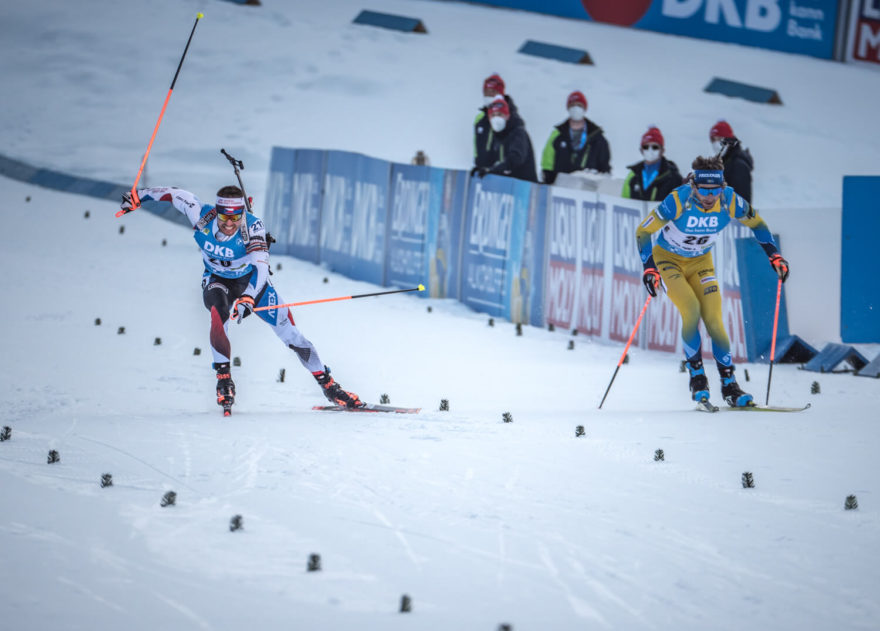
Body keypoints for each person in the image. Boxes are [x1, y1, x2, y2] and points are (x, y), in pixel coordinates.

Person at [119, 186, 365, 412]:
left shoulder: (252, 227)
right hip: (217, 279)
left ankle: (329, 386)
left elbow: (260, 268)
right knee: (218, 312)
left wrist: (248, 298)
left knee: (292, 336)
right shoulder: (201, 215)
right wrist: (139, 196)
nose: (230, 223)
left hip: (251, 283)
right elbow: (173, 194)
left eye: (235, 217)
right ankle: (224, 380)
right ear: (217, 212)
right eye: (225, 217)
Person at [635, 156, 789, 408]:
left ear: (722, 186)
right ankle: (697, 378)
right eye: (704, 191)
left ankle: (730, 385)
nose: (710, 197)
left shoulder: (729, 200)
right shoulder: (678, 200)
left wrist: (774, 255)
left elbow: (758, 224)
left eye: (715, 190)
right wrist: (649, 268)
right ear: (694, 186)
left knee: (715, 320)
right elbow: (643, 231)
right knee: (691, 310)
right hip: (669, 261)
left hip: (700, 263)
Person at [541, 90, 611, 184]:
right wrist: (549, 180)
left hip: (588, 191)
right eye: (572, 105)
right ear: (568, 108)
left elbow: (605, 170)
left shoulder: (598, 138)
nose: (576, 108)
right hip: (559, 189)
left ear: (585, 108)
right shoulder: (557, 135)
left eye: (579, 105)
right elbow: (547, 162)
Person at [471, 96, 538, 182]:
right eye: (493, 115)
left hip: (523, 186)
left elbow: (515, 158)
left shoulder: (518, 133)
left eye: (500, 114)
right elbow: (492, 160)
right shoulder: (497, 136)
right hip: (507, 186)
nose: (496, 118)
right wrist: (481, 168)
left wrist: (494, 170)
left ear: (507, 116)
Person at [473, 74, 525, 174]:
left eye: (492, 92)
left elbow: (515, 152)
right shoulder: (480, 120)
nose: (489, 96)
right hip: (485, 173)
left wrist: (497, 168)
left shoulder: (511, 119)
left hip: (503, 174)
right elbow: (477, 147)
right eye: (486, 93)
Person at [621, 126, 682, 201]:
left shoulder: (674, 178)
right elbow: (624, 202)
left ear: (662, 150)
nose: (650, 150)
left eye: (655, 147)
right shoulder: (633, 176)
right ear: (641, 150)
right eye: (646, 147)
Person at [709, 120, 754, 204]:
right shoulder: (723, 162)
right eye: (713, 140)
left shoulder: (738, 166)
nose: (716, 143)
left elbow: (742, 203)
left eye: (719, 139)